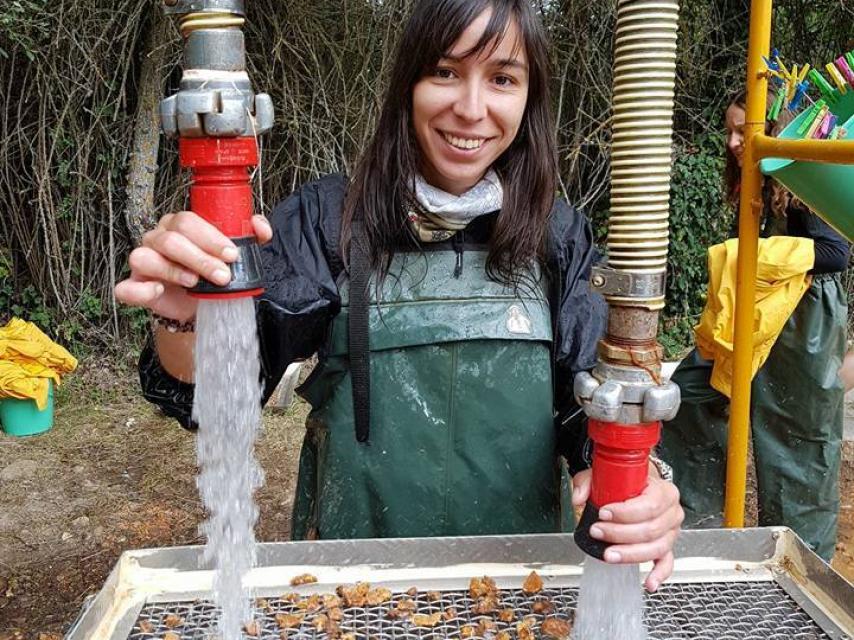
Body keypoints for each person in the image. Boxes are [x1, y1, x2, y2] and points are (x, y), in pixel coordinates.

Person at [115, 0, 683, 591]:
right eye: (444, 71)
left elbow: (597, 412)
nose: (471, 109)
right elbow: (220, 393)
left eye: (502, 79)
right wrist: (186, 319)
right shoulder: (328, 221)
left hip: (525, 585)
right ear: (407, 86)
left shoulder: (556, 237)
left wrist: (647, 489)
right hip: (352, 588)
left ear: (529, 99)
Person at [661, 90, 849, 561]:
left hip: (804, 322)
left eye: (742, 131)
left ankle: (801, 559)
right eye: (729, 130)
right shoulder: (759, 181)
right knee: (692, 397)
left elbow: (836, 254)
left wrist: (751, 255)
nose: (731, 142)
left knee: (796, 444)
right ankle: (696, 526)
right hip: (760, 311)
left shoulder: (802, 174)